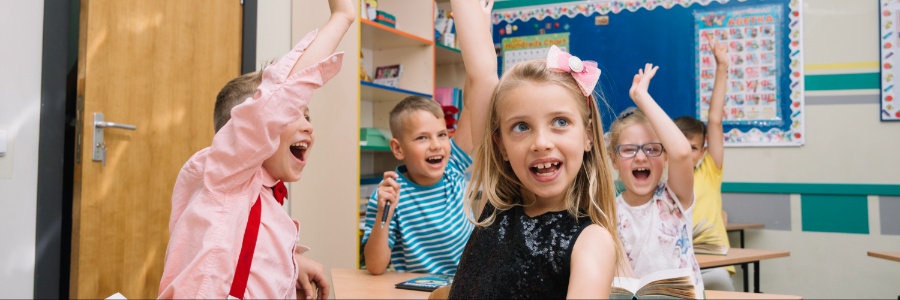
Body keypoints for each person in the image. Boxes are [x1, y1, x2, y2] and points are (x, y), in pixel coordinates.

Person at [158, 0, 355, 298]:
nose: (308, 126)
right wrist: (343, 16)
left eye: (308, 116)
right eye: (293, 113)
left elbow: (242, 252)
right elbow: (279, 96)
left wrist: (292, 264)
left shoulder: (265, 199)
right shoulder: (228, 176)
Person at [445, 1, 622, 298]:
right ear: (500, 145)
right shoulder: (496, 205)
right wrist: (479, 28)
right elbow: (482, 73)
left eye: (560, 122)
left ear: (588, 136)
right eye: (521, 127)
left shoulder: (593, 241)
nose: (541, 142)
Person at [360, 0, 493, 275]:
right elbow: (374, 266)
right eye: (422, 138)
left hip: (466, 287)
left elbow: (474, 99)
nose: (436, 145)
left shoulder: (453, 168)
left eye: (442, 134)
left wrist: (478, 31)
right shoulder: (390, 193)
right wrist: (384, 212)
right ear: (398, 149)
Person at [608, 64, 705, 297]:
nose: (641, 156)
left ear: (665, 156)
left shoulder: (674, 199)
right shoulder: (610, 210)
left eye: (652, 149)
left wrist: (642, 97)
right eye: (629, 150)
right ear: (614, 160)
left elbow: (682, 152)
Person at [674, 34, 735, 291]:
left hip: (714, 262)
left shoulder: (710, 170)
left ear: (704, 151)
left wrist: (721, 67)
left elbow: (715, 121)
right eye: (679, 146)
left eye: (693, 148)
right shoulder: (664, 178)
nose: (687, 153)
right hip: (677, 264)